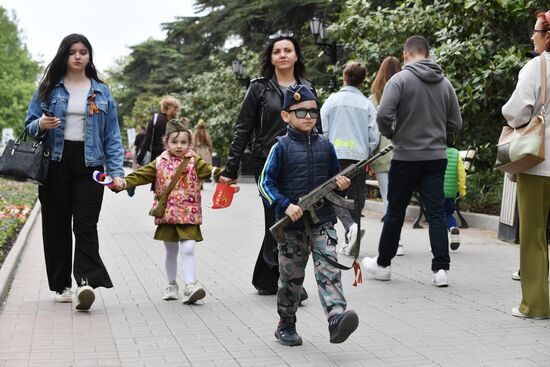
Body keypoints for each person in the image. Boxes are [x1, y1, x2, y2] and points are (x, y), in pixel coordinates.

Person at [24, 34, 125, 310]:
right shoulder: (49, 87)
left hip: (90, 165)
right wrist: (42, 124)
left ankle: (85, 282)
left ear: (89, 56)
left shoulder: (102, 91)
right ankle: (62, 286)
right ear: (64, 56)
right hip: (54, 163)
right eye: (72, 52)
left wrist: (117, 172)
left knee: (85, 224)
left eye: (83, 52)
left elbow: (112, 136)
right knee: (56, 226)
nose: (78, 56)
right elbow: (30, 125)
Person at [220, 33, 320, 297]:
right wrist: (229, 171)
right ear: (271, 58)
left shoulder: (307, 87)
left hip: (300, 162)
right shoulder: (259, 88)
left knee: (294, 220)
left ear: (296, 56)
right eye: (277, 51)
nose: (283, 55)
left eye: (288, 50)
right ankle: (285, 279)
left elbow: (315, 126)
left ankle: (268, 277)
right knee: (277, 217)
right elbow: (242, 129)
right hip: (267, 163)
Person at [258, 84, 358, 346]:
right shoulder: (280, 147)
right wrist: (284, 205)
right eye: (300, 112)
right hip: (292, 226)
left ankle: (336, 318)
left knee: (329, 271)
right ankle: (286, 323)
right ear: (285, 116)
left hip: (323, 222)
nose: (308, 117)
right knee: (291, 279)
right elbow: (264, 184)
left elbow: (334, 177)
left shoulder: (327, 145)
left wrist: (341, 184)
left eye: (313, 111)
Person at [361, 35, 462, 287]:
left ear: (406, 54)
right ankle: (440, 270)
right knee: (436, 211)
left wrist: (395, 133)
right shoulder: (445, 84)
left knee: (395, 211)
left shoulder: (399, 80)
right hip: (436, 157)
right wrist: (439, 136)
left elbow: (383, 114)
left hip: (405, 157)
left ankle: (383, 264)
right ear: (427, 53)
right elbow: (455, 124)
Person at [118, 119, 232, 304]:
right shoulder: (159, 162)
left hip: (189, 213)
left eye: (183, 142)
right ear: (166, 143)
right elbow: (141, 175)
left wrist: (228, 179)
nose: (179, 146)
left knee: (188, 249)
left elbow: (212, 172)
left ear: (189, 143)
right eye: (174, 142)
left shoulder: (194, 161)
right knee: (171, 251)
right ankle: (171, 285)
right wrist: (124, 182)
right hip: (168, 215)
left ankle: (190, 285)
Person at [501, 10, 550, 319]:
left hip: (539, 162)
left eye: (537, 31)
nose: (533, 36)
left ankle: (535, 305)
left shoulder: (538, 66)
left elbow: (517, 111)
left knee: (533, 234)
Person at [320, 61, 379, 256]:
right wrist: (367, 152)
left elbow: (323, 129)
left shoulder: (332, 101)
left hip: (335, 155)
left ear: (344, 76)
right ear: (362, 81)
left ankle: (350, 228)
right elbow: (374, 135)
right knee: (357, 198)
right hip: (359, 158)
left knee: (334, 196)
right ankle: (352, 239)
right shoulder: (367, 104)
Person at [368, 56, 402, 253]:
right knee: (399, 199)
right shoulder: (405, 94)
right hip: (404, 153)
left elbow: (372, 131)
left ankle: (394, 242)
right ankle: (397, 241)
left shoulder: (373, 100)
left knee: (388, 199)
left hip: (382, 156)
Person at [136, 96, 181, 167]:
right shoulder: (175, 123)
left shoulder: (155, 119)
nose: (177, 111)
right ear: (169, 108)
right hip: (171, 159)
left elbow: (147, 141)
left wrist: (139, 159)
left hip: (155, 159)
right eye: (176, 109)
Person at [443, 133, 466, 251]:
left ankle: (439, 243)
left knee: (436, 216)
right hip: (451, 192)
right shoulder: (455, 153)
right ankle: (453, 227)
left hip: (436, 191)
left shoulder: (436, 151)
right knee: (448, 214)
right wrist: (462, 190)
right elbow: (461, 174)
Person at [127, 125, 147, 197]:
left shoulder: (138, 135)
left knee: (136, 170)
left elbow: (135, 145)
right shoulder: (147, 135)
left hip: (139, 154)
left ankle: (130, 186)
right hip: (146, 155)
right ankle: (130, 186)